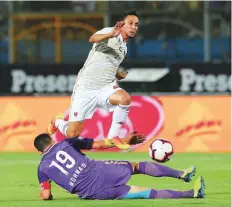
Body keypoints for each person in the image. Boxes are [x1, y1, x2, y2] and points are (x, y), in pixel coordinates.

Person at [47, 10, 140, 150]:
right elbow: (92, 38)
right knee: (72, 134)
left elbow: (105, 66)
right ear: (121, 24)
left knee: (125, 99)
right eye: (130, 23)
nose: (134, 27)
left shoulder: (124, 49)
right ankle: (58, 122)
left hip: (105, 87)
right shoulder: (110, 32)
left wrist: (117, 75)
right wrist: (111, 34)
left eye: (136, 25)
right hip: (86, 87)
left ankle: (113, 137)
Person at [34, 132, 205, 201]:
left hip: (92, 193)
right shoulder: (66, 143)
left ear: (40, 151)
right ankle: (182, 174)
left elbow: (47, 194)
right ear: (51, 140)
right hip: (101, 171)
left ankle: (192, 193)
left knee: (143, 192)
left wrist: (43, 196)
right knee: (136, 166)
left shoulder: (42, 168)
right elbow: (98, 144)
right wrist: (124, 141)